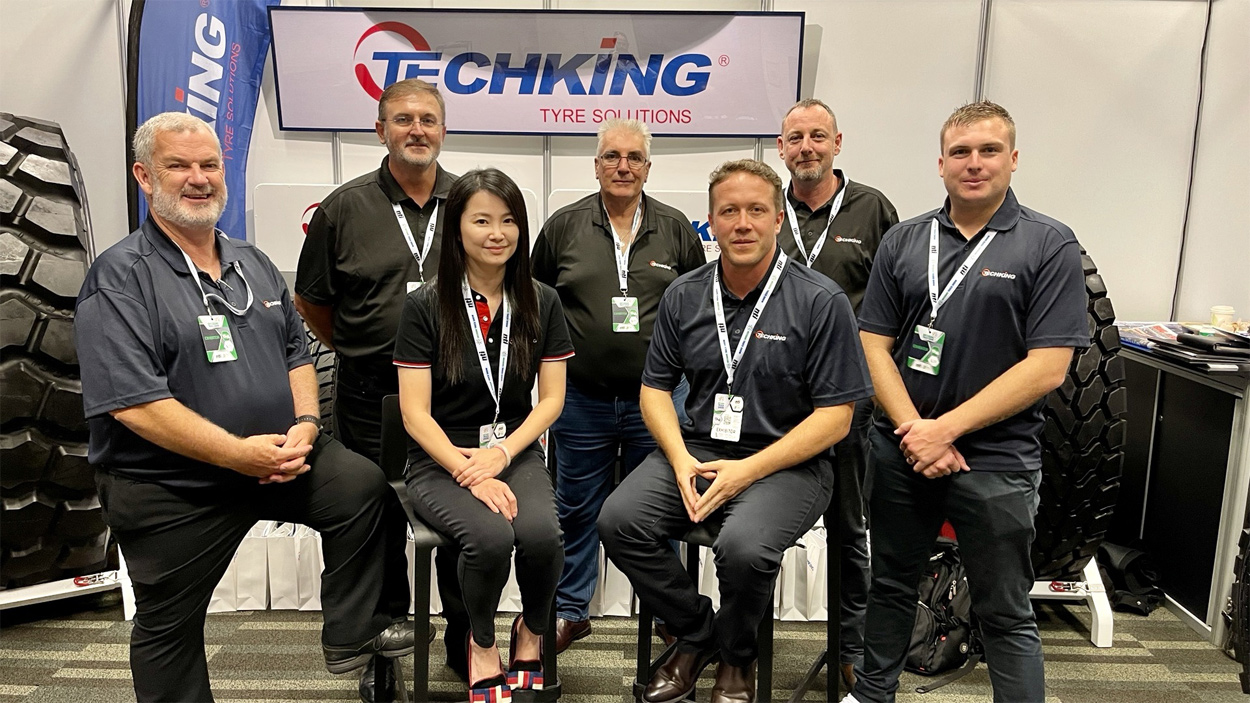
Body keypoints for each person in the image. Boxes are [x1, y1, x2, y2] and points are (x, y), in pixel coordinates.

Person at [75, 112, 413, 703]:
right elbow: (136, 405)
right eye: (179, 166)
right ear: (144, 177)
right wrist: (236, 455)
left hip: (278, 458)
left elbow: (296, 353)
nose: (199, 178)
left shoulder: (250, 263)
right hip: (171, 483)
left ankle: (355, 632)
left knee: (363, 489)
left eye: (209, 164)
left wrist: (307, 423)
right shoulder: (120, 278)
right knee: (168, 628)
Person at [599, 159, 874, 703]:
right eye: (728, 211)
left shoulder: (820, 300)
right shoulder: (684, 294)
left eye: (756, 210)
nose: (742, 223)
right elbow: (654, 391)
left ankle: (737, 657)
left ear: (778, 219)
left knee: (744, 550)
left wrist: (748, 471)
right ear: (711, 220)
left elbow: (836, 417)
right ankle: (700, 632)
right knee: (619, 521)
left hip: (788, 463)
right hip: (699, 451)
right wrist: (679, 458)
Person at [849, 101, 1089, 703]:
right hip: (902, 450)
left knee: (1003, 608)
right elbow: (872, 346)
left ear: (1013, 159)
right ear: (941, 163)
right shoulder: (905, 240)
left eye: (988, 150)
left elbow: (1047, 367)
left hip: (997, 459)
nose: (974, 163)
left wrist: (945, 430)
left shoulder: (1048, 244)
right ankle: (872, 694)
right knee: (891, 587)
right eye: (960, 152)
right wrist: (916, 431)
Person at [294, 78, 468, 693]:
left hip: (456, 395)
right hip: (373, 396)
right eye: (403, 119)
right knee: (378, 520)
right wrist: (361, 346)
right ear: (380, 130)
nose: (417, 130)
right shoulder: (343, 209)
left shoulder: (470, 202)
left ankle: (466, 637)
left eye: (428, 119)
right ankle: (382, 647)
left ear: (443, 129)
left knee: (464, 518)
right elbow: (312, 302)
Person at [394, 168, 573, 702]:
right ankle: (481, 642)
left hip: (513, 449)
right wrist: (468, 469)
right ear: (457, 229)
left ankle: (532, 631)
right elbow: (414, 415)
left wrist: (501, 455)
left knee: (542, 537)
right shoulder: (426, 305)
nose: (497, 233)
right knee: (491, 539)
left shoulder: (542, 300)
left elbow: (552, 400)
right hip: (440, 456)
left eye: (509, 220)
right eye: (482, 221)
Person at [532, 119, 705, 652]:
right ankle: (570, 610)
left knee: (659, 511)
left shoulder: (676, 228)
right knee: (574, 507)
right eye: (612, 156)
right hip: (580, 398)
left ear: (648, 168)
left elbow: (700, 306)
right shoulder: (563, 227)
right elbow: (537, 303)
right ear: (596, 165)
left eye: (634, 158)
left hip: (658, 401)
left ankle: (670, 613)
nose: (623, 166)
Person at [775, 98, 899, 690]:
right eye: (796, 138)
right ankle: (742, 641)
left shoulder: (874, 210)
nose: (807, 147)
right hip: (777, 401)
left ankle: (850, 645)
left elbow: (899, 303)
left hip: (850, 402)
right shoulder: (767, 209)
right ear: (781, 149)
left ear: (837, 143)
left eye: (818, 136)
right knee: (756, 525)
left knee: (850, 530)